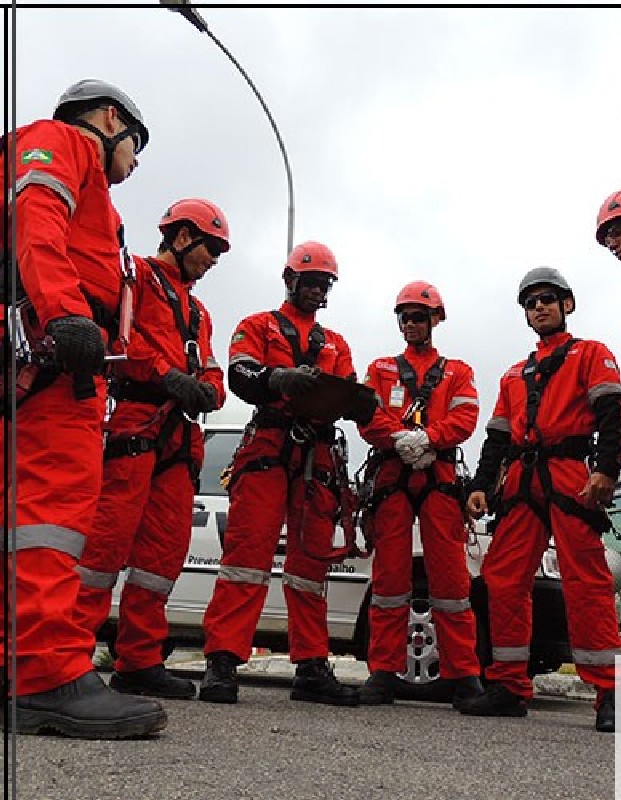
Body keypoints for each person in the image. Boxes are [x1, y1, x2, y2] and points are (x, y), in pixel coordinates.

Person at [0, 79, 166, 737]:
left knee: (20, 519)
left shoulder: (92, 197)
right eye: (136, 147)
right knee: (50, 516)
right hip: (52, 362)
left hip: (44, 360)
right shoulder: (61, 142)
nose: (133, 165)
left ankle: (16, 666)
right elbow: (36, 216)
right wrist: (65, 314)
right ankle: (45, 675)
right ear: (108, 119)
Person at [198, 241, 372, 706]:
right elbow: (240, 376)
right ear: (290, 280)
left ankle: (312, 664)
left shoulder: (337, 343)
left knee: (311, 564)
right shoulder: (257, 326)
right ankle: (222, 660)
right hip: (269, 448)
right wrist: (277, 379)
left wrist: (361, 405)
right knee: (247, 556)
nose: (316, 289)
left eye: (323, 283)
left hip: (317, 455)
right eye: (310, 281)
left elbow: (347, 391)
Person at [73, 199, 227, 699]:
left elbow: (210, 368)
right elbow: (119, 338)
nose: (213, 260)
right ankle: (69, 657)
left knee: (161, 558)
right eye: (210, 248)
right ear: (182, 238)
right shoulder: (133, 276)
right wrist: (165, 375)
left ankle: (139, 660)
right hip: (136, 424)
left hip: (180, 441)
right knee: (104, 548)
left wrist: (208, 388)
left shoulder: (198, 310)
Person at [460, 267, 621, 728]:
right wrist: (479, 485)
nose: (539, 308)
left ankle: (610, 691)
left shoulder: (590, 354)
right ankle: (508, 685)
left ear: (566, 304)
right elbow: (496, 437)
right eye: (531, 303)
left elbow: (613, 413)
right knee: (502, 579)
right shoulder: (515, 374)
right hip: (521, 481)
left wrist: (607, 470)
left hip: (572, 475)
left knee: (587, 580)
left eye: (548, 299)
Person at [355, 281, 483, 708]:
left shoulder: (456, 371)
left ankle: (463, 673)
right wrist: (399, 440)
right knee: (389, 579)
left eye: (419, 316)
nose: (411, 323)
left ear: (435, 320)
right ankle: (382, 672)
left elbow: (465, 416)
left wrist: (426, 439)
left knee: (451, 581)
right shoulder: (380, 369)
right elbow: (367, 416)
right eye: (405, 316)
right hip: (392, 476)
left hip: (439, 478)